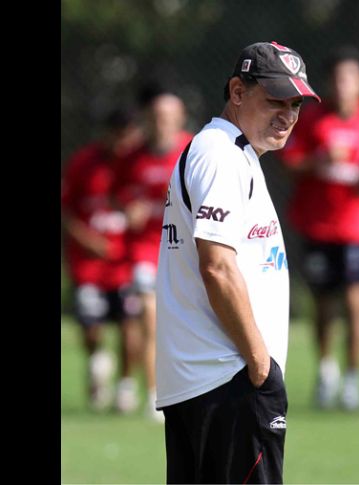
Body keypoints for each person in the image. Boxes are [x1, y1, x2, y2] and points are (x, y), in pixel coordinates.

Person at [155, 41, 319, 483]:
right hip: (228, 381)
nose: (287, 115)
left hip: (211, 380)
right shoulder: (220, 155)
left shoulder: (230, 152)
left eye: (295, 104)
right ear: (238, 92)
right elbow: (218, 267)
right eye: (274, 101)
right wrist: (260, 365)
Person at [280, 46, 359, 410]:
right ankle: (327, 371)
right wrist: (318, 160)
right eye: (338, 79)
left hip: (357, 226)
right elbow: (291, 163)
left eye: (351, 78)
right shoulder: (312, 120)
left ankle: (354, 379)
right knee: (323, 305)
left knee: (357, 304)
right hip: (318, 225)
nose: (344, 86)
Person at [114, 92, 193, 422]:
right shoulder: (131, 157)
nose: (161, 122)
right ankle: (154, 394)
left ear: (180, 118)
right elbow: (117, 194)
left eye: (168, 115)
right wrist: (127, 207)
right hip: (145, 249)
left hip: (185, 250)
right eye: (156, 115)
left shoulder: (194, 149)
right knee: (149, 317)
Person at [61, 106, 144, 412]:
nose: (124, 143)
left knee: (128, 324)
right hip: (89, 266)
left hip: (125, 263)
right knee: (91, 327)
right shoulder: (83, 163)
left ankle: (125, 385)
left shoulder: (138, 164)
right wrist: (88, 241)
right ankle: (97, 360)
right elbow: (67, 212)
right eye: (119, 135)